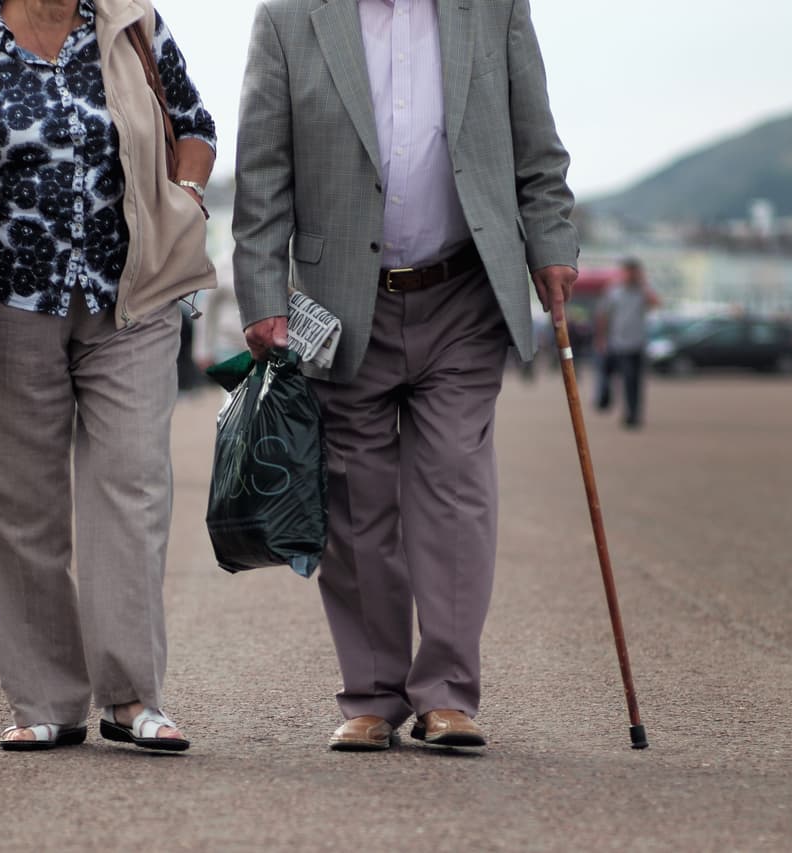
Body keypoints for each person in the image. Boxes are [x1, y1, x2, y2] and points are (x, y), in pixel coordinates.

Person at [233, 0, 578, 751]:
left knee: (455, 485)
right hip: (341, 303)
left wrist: (553, 243)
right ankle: (374, 694)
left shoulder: (494, 10)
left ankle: (448, 693)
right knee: (354, 500)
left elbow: (537, 150)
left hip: (463, 293)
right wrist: (260, 295)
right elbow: (261, 175)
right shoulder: (290, 18)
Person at [0, 0, 216, 752]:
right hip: (2, 302)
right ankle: (46, 699)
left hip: (130, 298)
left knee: (132, 486)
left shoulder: (132, 24)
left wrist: (183, 204)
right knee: (17, 506)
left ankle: (132, 697)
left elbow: (194, 126)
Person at [595, 258, 660, 429]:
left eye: (635, 272)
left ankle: (632, 415)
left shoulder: (643, 291)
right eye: (628, 272)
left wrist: (644, 284)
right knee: (605, 373)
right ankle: (603, 398)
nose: (631, 276)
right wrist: (601, 338)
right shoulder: (613, 292)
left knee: (633, 381)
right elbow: (603, 316)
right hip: (616, 342)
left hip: (636, 344)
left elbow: (655, 304)